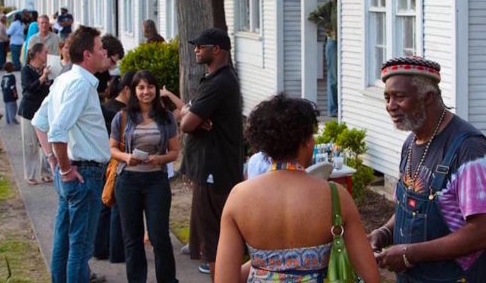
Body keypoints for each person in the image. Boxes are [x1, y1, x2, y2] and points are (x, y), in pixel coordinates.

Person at [215, 94, 381, 283]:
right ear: (307, 141)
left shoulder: (239, 197)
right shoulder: (335, 196)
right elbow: (371, 277)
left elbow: (224, 279)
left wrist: (263, 265)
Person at [368, 57, 486, 282]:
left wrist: (410, 254)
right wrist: (384, 233)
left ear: (427, 97)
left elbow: (484, 232)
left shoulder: (469, 150)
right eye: (387, 97)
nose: (390, 106)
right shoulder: (411, 144)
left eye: (400, 97)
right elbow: (408, 209)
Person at [31, 25, 111, 283]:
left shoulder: (64, 79)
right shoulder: (78, 84)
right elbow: (55, 130)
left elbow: (38, 122)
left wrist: (53, 160)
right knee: (79, 249)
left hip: (74, 173)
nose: (104, 52)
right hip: (82, 174)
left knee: (64, 243)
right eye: (100, 48)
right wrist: (63, 168)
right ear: (87, 54)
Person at [179, 27, 244, 278]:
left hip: (214, 171)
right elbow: (187, 114)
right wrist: (191, 112)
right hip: (212, 169)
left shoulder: (220, 82)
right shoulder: (218, 79)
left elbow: (185, 124)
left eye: (201, 46)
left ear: (216, 49)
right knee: (212, 238)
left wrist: (191, 115)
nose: (195, 50)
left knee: (214, 241)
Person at [110, 70, 180, 283]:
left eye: (150, 87)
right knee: (132, 239)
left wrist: (158, 160)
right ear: (132, 91)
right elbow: (112, 149)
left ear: (156, 89)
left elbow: (174, 152)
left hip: (156, 182)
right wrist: (126, 157)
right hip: (127, 182)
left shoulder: (166, 117)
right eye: (141, 87)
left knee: (159, 237)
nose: (146, 92)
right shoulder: (122, 117)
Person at [94, 71, 135, 264]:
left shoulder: (106, 107)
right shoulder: (120, 113)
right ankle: (115, 251)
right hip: (115, 163)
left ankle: (101, 247)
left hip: (104, 160)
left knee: (105, 205)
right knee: (117, 208)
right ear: (127, 89)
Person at [19, 43, 54, 185]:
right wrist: (42, 78)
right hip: (29, 110)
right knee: (30, 143)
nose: (47, 55)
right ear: (38, 54)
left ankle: (45, 172)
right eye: (45, 52)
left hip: (43, 110)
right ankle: (30, 174)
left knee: (45, 143)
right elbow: (28, 89)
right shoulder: (26, 70)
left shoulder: (45, 70)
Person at [308, 0, 338, 117]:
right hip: (333, 42)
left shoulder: (344, 4)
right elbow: (312, 16)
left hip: (346, 42)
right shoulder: (330, 6)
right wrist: (327, 25)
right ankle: (334, 110)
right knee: (334, 77)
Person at [95, 34, 125, 101]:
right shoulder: (88, 72)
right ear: (104, 53)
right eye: (112, 62)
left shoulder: (104, 73)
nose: (111, 67)